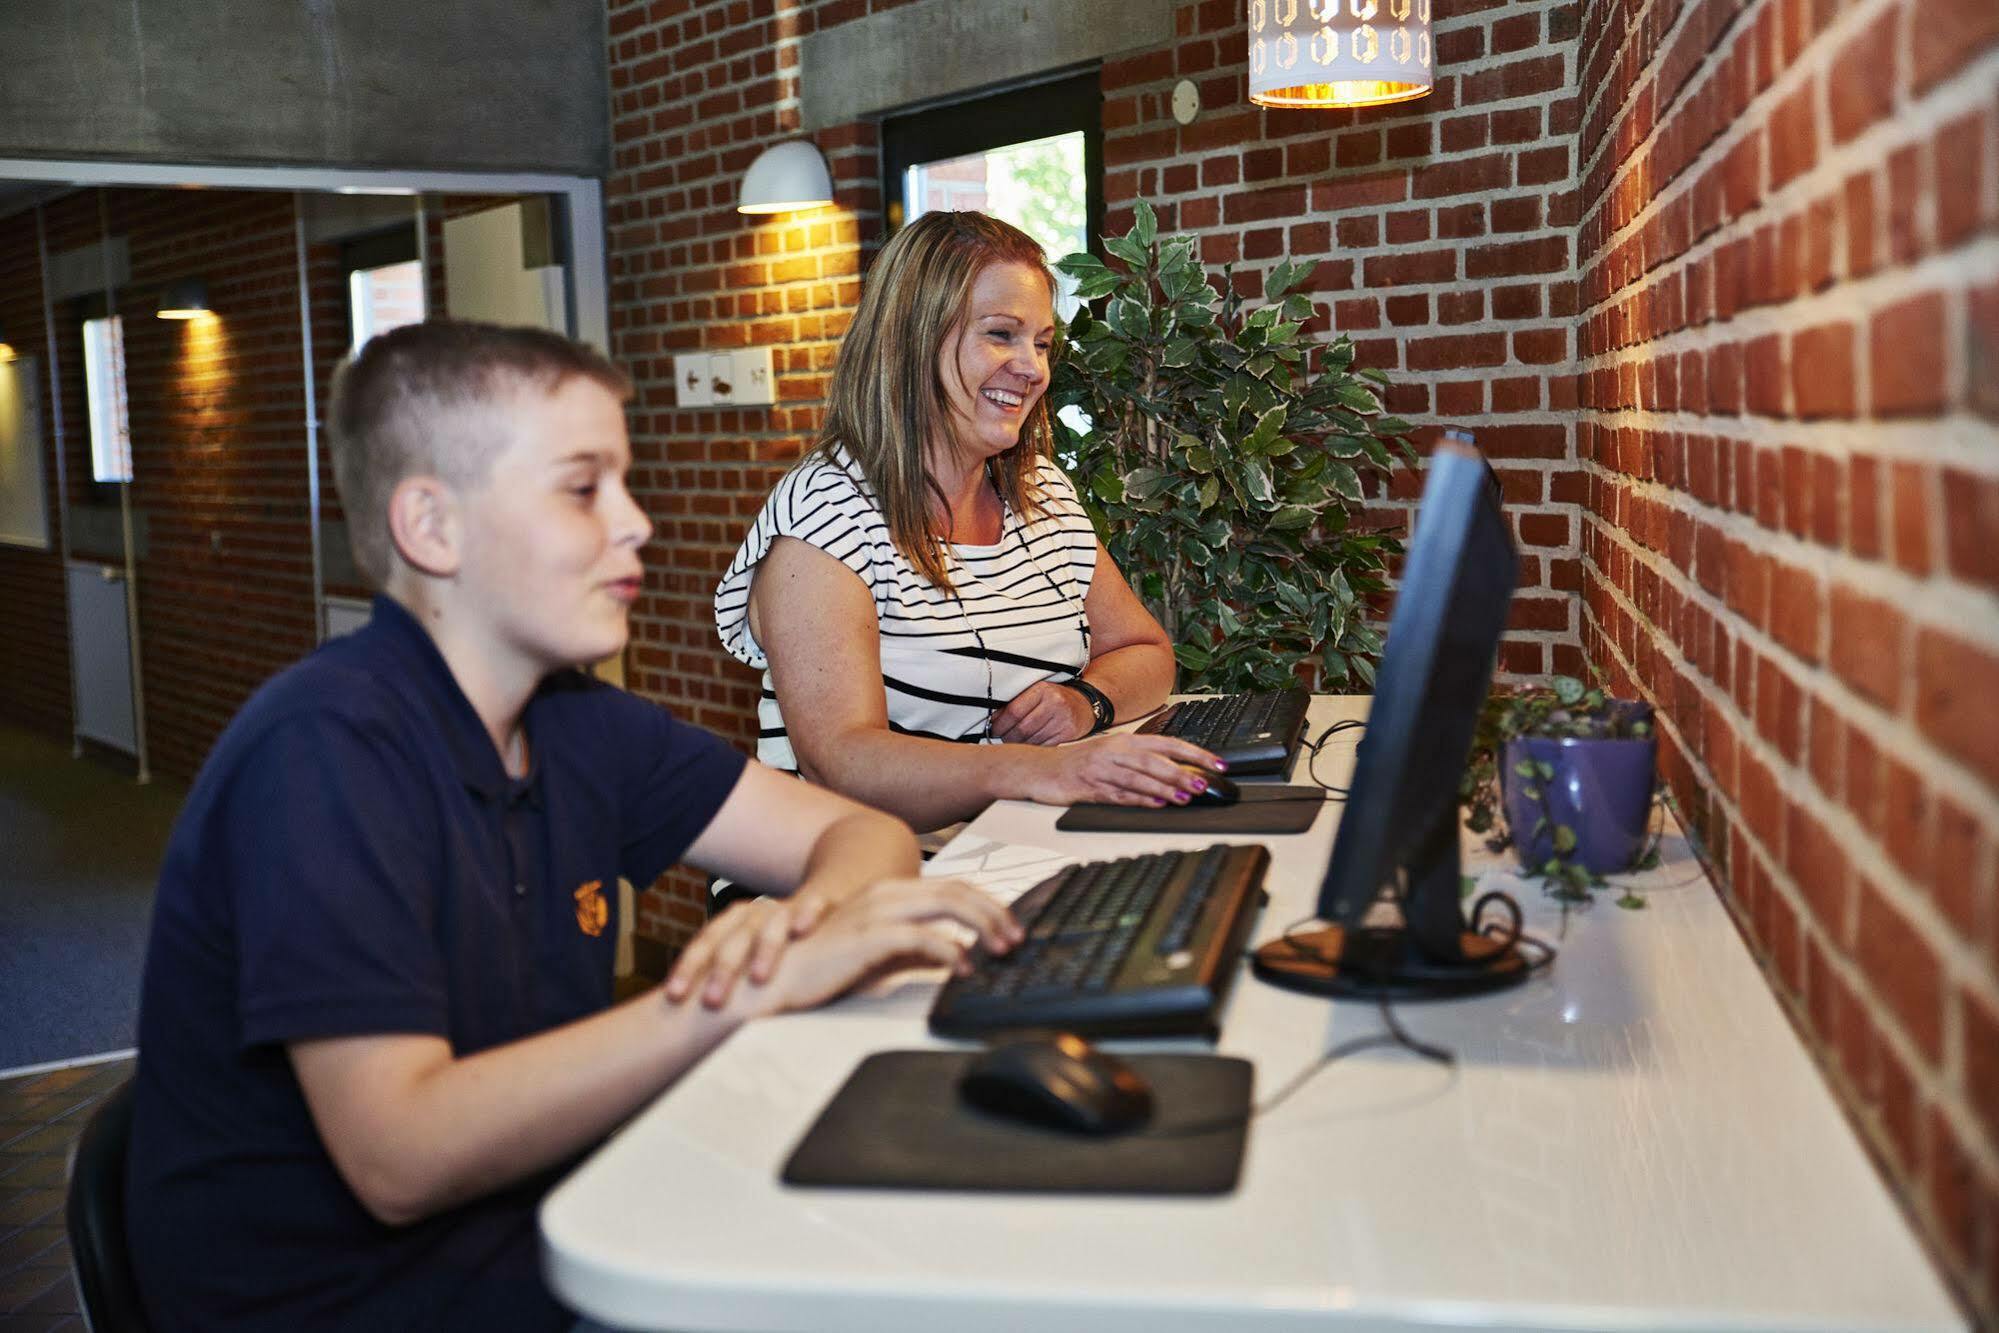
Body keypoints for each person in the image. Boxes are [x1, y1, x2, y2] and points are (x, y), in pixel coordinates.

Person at [124, 321, 1019, 1332]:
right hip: (355, 1300)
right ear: (433, 526)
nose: (636, 523)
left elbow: (864, 839)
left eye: (624, 485)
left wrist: (796, 926)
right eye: (582, 488)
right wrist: (746, 991)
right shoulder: (322, 751)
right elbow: (398, 1158)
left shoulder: (579, 721)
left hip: (550, 1221)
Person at [714, 211, 1222, 837]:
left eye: (1041, 342)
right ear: (912, 340)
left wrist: (1083, 703)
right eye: (1001, 334)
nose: (1033, 368)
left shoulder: (1042, 493)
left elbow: (1146, 652)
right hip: (857, 878)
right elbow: (840, 761)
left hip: (1019, 844)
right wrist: (1033, 772)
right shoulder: (825, 514)